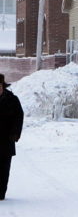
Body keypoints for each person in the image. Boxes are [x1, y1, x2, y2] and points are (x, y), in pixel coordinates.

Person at [0, 73, 23, 201]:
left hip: (6, 140)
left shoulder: (12, 100)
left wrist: (15, 133)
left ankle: (1, 193)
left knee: (3, 168)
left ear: (3, 86)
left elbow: (19, 117)